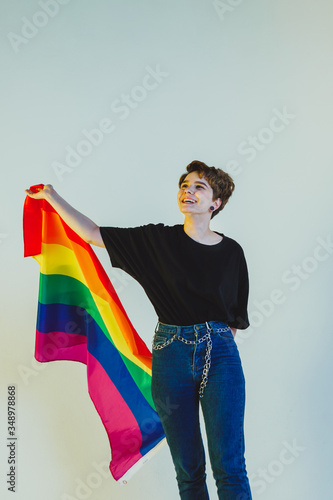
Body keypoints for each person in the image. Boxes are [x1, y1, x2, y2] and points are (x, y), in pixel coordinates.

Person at [25, 160, 252, 499]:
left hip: (220, 355)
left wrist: (212, 344)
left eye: (198, 187)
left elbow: (235, 318)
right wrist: (53, 196)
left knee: (229, 466)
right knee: (189, 470)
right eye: (184, 186)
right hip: (170, 355)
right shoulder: (156, 240)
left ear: (215, 203)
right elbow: (92, 233)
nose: (187, 191)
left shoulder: (232, 252)